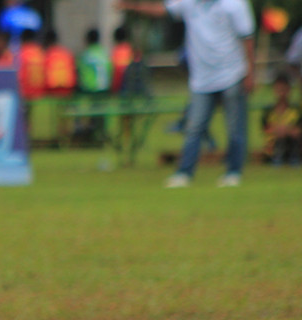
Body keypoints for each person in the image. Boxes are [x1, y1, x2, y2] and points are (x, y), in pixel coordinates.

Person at [118, 0, 255, 187]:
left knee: (234, 128)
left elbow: (247, 38)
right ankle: (184, 173)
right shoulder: (190, 3)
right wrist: (132, 6)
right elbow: (162, 10)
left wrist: (250, 72)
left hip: (232, 74)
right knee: (194, 127)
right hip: (202, 79)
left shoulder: (234, 4)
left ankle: (233, 172)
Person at [261, 71, 301, 165]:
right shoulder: (268, 111)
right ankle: (276, 158)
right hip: (273, 146)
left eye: (284, 89)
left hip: (292, 144)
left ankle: (294, 158)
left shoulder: (296, 111)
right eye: (279, 89)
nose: (281, 93)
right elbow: (266, 129)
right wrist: (278, 130)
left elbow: (298, 131)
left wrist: (286, 130)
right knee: (278, 139)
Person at [77, 28, 112, 95]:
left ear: (87, 39)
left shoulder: (85, 55)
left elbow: (79, 71)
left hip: (89, 89)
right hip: (104, 88)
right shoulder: (104, 54)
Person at [43, 29, 76, 98]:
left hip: (52, 91)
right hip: (67, 90)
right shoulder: (66, 53)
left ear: (47, 40)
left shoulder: (47, 55)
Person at [17, 28, 46, 101]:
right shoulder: (41, 53)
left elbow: (18, 76)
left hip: (26, 96)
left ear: (22, 39)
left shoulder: (21, 54)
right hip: (41, 95)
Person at [110, 25, 134, 93]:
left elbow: (115, 70)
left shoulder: (115, 51)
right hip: (131, 83)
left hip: (120, 84)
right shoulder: (130, 49)